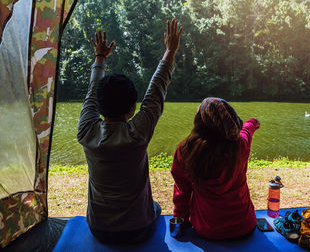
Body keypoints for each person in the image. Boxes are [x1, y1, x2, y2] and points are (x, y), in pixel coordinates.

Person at [77, 19, 182, 245]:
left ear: (98, 105)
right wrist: (170, 51)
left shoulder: (86, 132)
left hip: (98, 228)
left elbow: (91, 92)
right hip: (138, 228)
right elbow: (156, 90)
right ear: (133, 107)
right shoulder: (137, 134)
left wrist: (100, 58)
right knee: (157, 208)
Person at [171, 97, 260, 240]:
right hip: (244, 226)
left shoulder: (186, 149)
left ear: (199, 121)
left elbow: (182, 190)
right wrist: (253, 122)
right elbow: (247, 131)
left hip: (207, 230)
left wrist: (180, 217)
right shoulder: (240, 145)